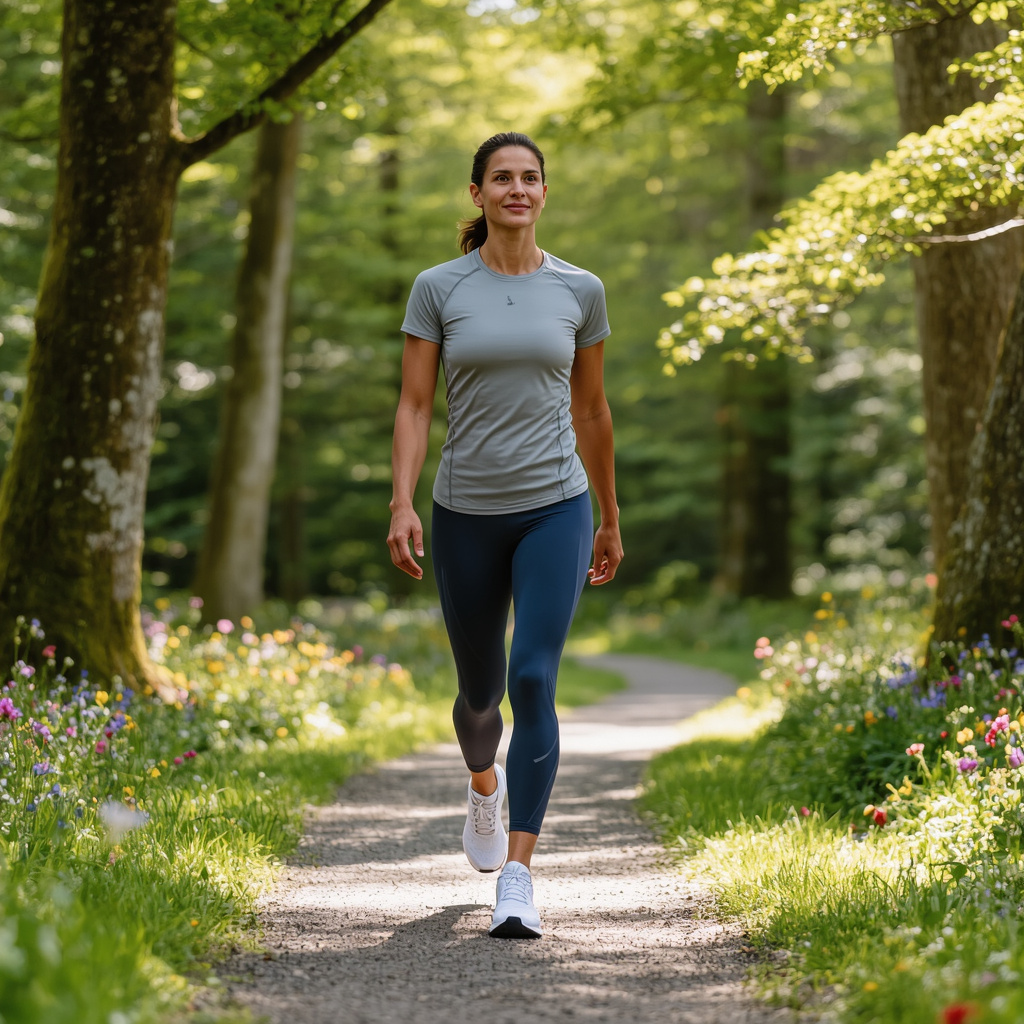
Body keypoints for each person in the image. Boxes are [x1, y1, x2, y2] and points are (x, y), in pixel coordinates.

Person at [387, 130, 622, 939]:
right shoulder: (439, 288)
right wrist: (401, 502)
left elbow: (592, 410)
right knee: (481, 693)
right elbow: (415, 404)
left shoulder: (580, 290)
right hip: (465, 512)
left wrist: (609, 514)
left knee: (532, 678)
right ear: (478, 193)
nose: (516, 189)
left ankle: (518, 877)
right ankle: (483, 785)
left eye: (529, 178)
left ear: (544, 193)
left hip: (557, 505)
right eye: (501, 178)